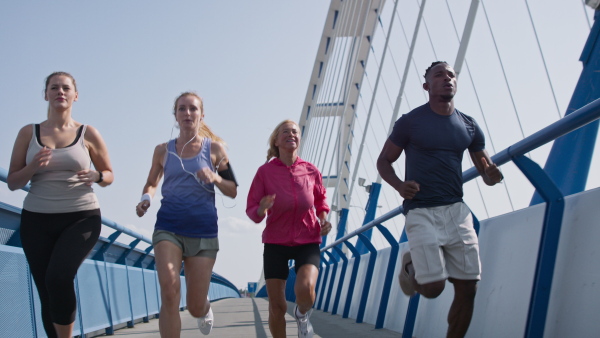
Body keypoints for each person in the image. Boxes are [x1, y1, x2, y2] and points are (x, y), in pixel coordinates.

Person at [377, 62, 503, 338]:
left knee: (469, 287)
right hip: (421, 210)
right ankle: (410, 265)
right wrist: (399, 185)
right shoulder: (410, 122)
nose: (447, 78)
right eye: (439, 75)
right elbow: (384, 160)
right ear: (427, 86)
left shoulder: (468, 125)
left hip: (457, 211)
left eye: (451, 75)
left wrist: (493, 175)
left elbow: (486, 172)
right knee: (433, 289)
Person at [7, 72, 114, 338]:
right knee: (46, 290)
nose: (60, 92)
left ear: (75, 95)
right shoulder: (28, 133)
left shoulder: (88, 133)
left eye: (66, 88)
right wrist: (33, 167)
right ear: (46, 94)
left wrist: (97, 176)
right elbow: (12, 182)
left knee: (58, 278)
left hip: (81, 217)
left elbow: (110, 174)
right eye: (54, 88)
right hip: (37, 219)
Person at [135, 92, 237, 337]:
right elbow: (151, 183)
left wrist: (215, 177)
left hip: (203, 232)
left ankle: (205, 307)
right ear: (175, 115)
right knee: (169, 291)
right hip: (168, 228)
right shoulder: (162, 151)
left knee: (194, 305)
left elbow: (232, 190)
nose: (187, 113)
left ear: (201, 115)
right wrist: (146, 199)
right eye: (182, 109)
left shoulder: (215, 149)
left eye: (193, 109)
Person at [246, 119, 332, 338]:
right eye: (285, 132)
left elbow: (321, 200)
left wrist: (323, 219)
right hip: (276, 241)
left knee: (306, 293)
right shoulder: (265, 173)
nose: (291, 134)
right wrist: (261, 208)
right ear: (276, 140)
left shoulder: (311, 170)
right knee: (277, 306)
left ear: (299, 139)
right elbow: (252, 210)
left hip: (308, 239)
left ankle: (302, 315)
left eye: (295, 132)